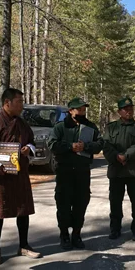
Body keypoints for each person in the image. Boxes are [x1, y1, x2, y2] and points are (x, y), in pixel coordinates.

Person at [0, 88, 41, 265]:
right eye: (19, 102)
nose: (22, 106)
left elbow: (31, 142)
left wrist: (27, 149)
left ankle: (24, 245)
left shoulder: (22, 124)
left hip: (19, 173)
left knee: (23, 210)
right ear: (7, 103)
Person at [47, 97, 103, 250]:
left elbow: (99, 144)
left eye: (84, 109)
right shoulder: (60, 127)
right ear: (70, 111)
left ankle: (77, 235)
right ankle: (64, 235)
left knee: (81, 204)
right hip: (65, 172)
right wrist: (70, 146)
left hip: (82, 172)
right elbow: (52, 144)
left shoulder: (90, 126)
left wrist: (86, 146)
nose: (82, 112)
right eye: (79, 109)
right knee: (63, 204)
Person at [102, 97, 135, 241]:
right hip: (116, 171)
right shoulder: (111, 127)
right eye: (125, 109)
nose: (129, 111)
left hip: (133, 171)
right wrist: (116, 156)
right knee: (115, 203)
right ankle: (115, 229)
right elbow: (106, 145)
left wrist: (125, 156)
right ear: (119, 111)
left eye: (130, 109)